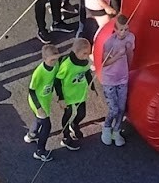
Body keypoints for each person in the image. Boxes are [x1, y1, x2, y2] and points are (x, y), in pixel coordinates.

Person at [100, 14, 136, 146]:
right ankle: (107, 127)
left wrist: (127, 54)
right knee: (113, 109)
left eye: (126, 29)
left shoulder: (131, 38)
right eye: (121, 29)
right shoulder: (109, 41)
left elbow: (131, 56)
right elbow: (104, 63)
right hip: (109, 79)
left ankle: (117, 130)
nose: (123, 32)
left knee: (121, 108)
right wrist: (118, 56)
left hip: (122, 78)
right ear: (115, 29)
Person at [55, 37, 94, 151]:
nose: (87, 56)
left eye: (88, 53)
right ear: (76, 52)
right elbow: (57, 81)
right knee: (68, 115)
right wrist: (61, 97)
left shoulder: (85, 61)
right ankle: (66, 137)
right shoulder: (67, 65)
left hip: (80, 93)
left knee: (82, 114)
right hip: (68, 95)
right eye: (84, 53)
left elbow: (87, 72)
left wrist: (92, 86)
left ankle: (74, 125)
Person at [24, 44, 60, 162]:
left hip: (46, 99)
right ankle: (40, 151)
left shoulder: (56, 65)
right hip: (38, 101)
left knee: (39, 120)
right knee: (46, 125)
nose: (54, 62)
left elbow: (56, 80)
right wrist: (39, 107)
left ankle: (31, 135)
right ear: (44, 59)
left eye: (56, 58)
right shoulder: (39, 72)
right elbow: (31, 90)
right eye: (52, 60)